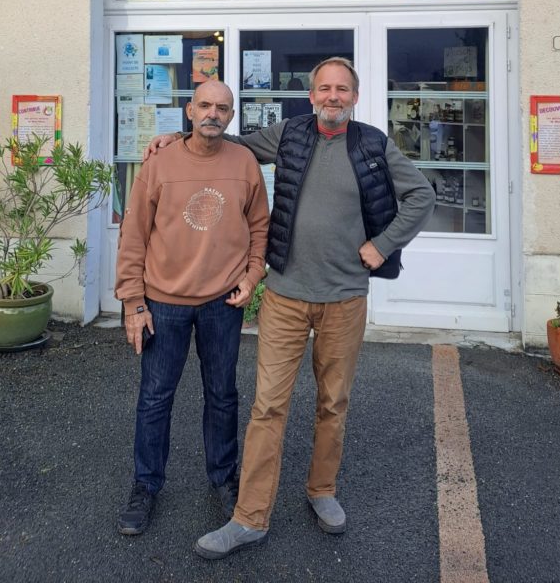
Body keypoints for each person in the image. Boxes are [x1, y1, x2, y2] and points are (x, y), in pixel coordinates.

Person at [148, 57, 435, 559]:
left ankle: (321, 491)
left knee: (332, 403)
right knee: (267, 407)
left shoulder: (373, 144)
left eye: (341, 89)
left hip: (345, 300)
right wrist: (176, 136)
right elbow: (223, 139)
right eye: (324, 88)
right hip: (283, 297)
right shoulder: (288, 135)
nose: (332, 96)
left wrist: (383, 245)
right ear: (311, 96)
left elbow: (421, 196)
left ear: (354, 97)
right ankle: (249, 517)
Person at [114, 80, 269, 537]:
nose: (213, 114)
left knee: (223, 395)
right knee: (155, 397)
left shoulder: (244, 163)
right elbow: (134, 235)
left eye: (222, 107)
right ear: (188, 110)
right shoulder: (158, 163)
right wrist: (132, 302)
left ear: (231, 114)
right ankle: (146, 485)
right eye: (204, 104)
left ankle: (223, 478)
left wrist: (252, 274)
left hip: (224, 301)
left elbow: (260, 226)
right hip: (163, 303)